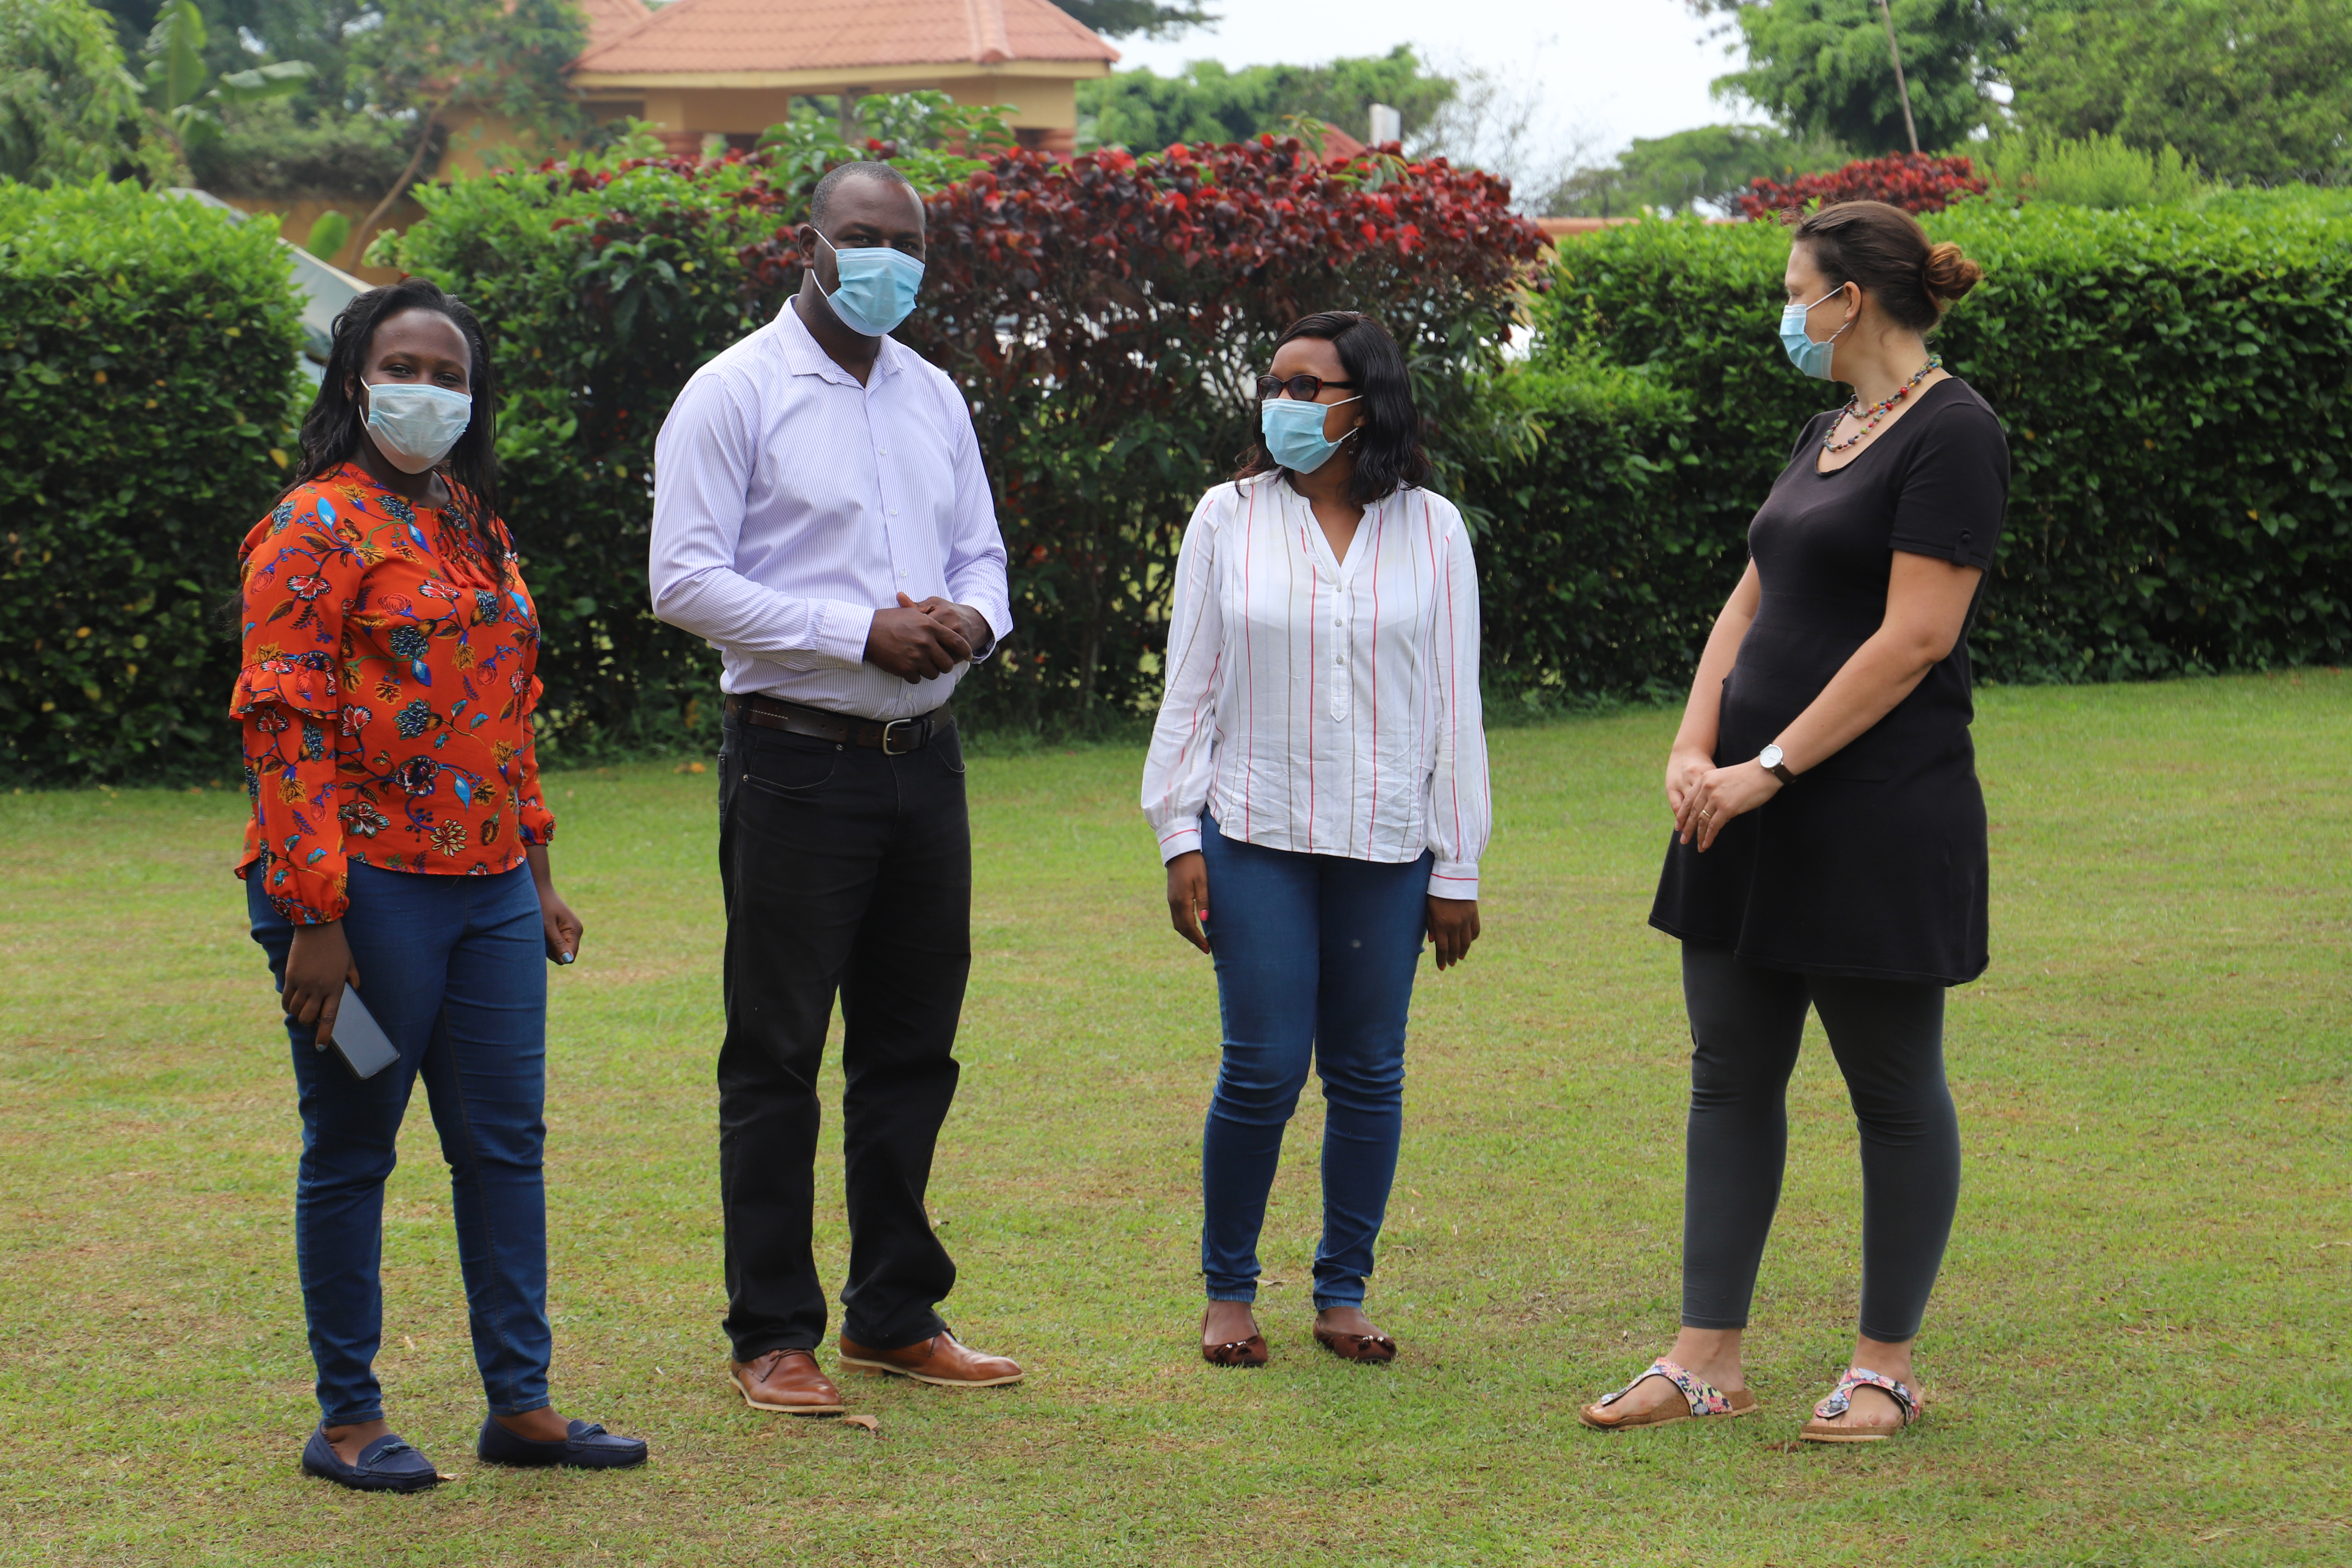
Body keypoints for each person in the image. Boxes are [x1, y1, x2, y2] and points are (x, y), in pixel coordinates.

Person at [1579, 202, 2006, 1441]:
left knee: (1892, 1089)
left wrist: (1769, 762)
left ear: (1851, 300)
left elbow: (1917, 636)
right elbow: (1745, 606)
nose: (1785, 312)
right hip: (1740, 806)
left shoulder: (1955, 433)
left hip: (1872, 813)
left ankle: (1884, 1367)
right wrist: (1693, 743)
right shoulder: (1827, 428)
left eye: (1793, 289)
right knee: (1728, 1078)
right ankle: (1704, 1355)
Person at [237, 278, 647, 1491]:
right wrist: (315, 916)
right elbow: (282, 724)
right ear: (357, 379)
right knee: (356, 1144)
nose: (429, 391)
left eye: (451, 374)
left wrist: (541, 870)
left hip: (491, 895)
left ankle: (521, 1406)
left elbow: (503, 714)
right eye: (404, 367)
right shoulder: (313, 526)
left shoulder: (471, 522)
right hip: (361, 902)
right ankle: (348, 1418)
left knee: (505, 1147)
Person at [648, 161, 1021, 1416]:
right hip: (799, 758)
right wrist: (850, 630)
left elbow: (982, 547)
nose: (885, 261)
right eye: (861, 236)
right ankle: (772, 1331)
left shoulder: (934, 393)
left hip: (928, 764)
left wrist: (970, 619)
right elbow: (684, 580)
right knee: (776, 1051)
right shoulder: (734, 392)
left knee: (914, 1050)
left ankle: (894, 1315)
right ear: (805, 242)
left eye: (906, 242)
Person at [1141, 310, 1490, 1368]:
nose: (1285, 404)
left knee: (1369, 1071)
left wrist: (1458, 862)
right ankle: (1229, 1293)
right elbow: (1190, 686)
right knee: (1261, 1066)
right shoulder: (1225, 517)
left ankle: (1343, 1293)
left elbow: (1453, 705)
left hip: (1388, 842)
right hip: (1252, 828)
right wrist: (1177, 832)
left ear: (1365, 403)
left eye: (1310, 387)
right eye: (1277, 384)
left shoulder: (1433, 528)